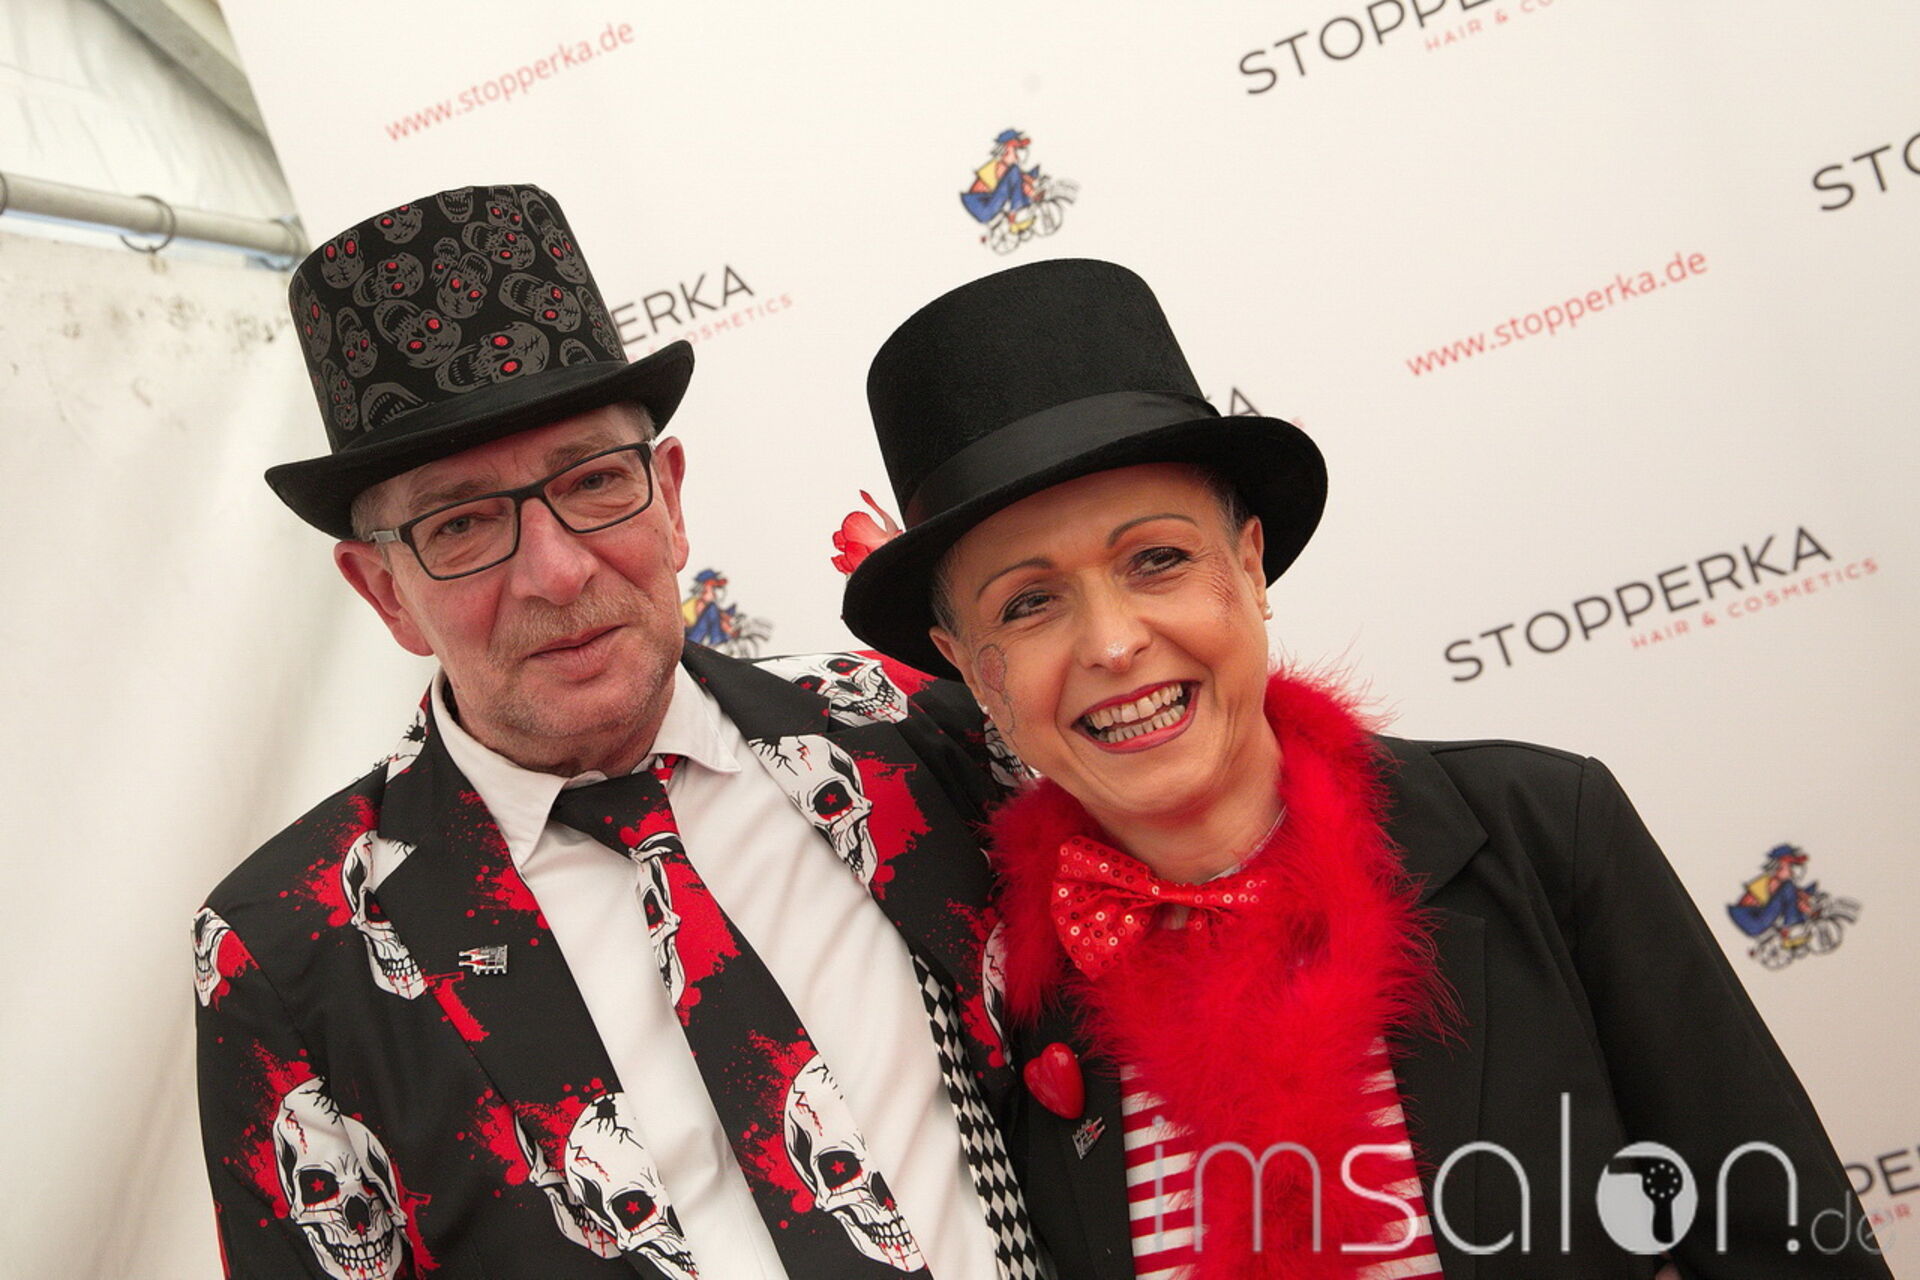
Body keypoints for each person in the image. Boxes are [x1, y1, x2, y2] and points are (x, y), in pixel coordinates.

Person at [837, 258, 1888, 1279]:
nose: (1113, 643)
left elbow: (1787, 1245)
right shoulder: (995, 989)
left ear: (1250, 565)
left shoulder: (1543, 829)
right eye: (1029, 603)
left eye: (1157, 559)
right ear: (969, 667)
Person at [192, 184, 1045, 1280]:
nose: (557, 571)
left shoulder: (897, 729)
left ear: (670, 499)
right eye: (463, 523)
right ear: (385, 591)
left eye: (595, 482)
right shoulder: (285, 950)